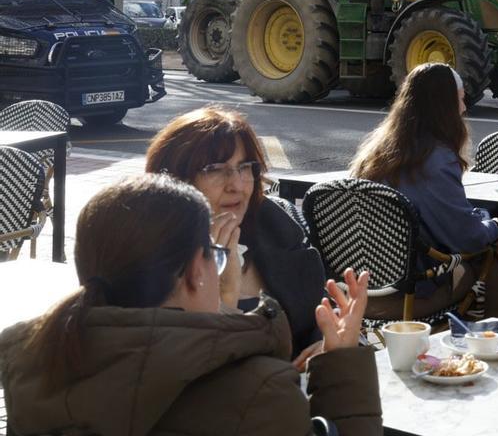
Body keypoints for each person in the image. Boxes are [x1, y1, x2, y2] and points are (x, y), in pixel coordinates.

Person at [0, 175, 380, 436]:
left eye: (245, 167)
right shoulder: (259, 392)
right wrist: (342, 363)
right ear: (198, 270)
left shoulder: (32, 365)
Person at [146, 106, 326, 357]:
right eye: (216, 169)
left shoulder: (274, 224)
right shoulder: (155, 259)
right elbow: (179, 365)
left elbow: (318, 310)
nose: (237, 186)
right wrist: (223, 296)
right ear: (177, 180)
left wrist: (327, 344)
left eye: (244, 167)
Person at [350, 62, 498, 318]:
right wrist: (495, 229)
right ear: (444, 107)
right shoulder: (438, 160)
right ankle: (496, 341)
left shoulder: (373, 153)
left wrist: (481, 220)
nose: (464, 108)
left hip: (357, 291)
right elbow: (465, 236)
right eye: (460, 100)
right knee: (493, 252)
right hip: (409, 294)